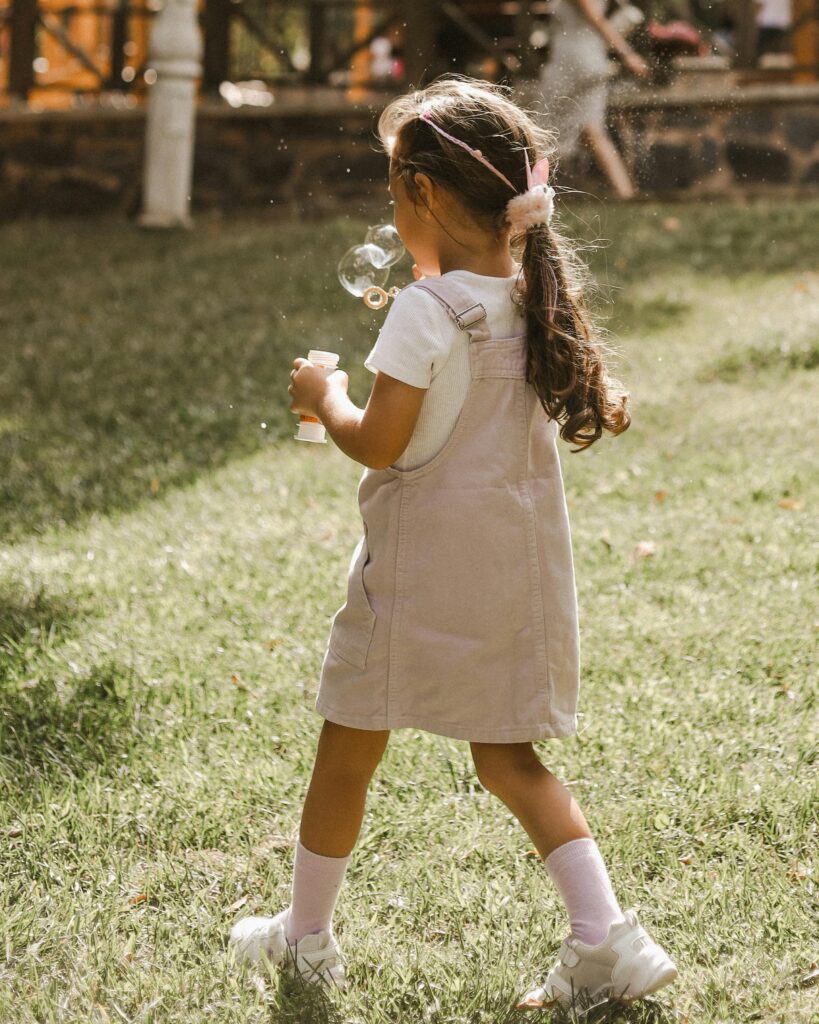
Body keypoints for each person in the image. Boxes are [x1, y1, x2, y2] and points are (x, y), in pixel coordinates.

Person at [228, 75, 678, 1013]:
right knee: (509, 761)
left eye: (395, 192)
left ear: (424, 196)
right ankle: (606, 936)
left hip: (416, 573)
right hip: (515, 578)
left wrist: (324, 398)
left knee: (348, 744)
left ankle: (306, 938)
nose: (393, 214)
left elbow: (380, 442)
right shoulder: (525, 294)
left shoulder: (424, 312)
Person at [538, 0, 650, 198]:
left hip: (573, 62)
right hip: (588, 58)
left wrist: (627, 54)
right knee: (592, 130)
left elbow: (596, 19)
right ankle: (626, 193)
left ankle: (525, 190)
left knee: (544, 129)